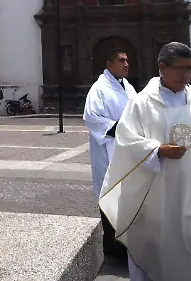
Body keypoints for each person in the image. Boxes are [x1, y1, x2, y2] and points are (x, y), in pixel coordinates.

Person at [99, 43, 191, 281]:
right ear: (162, 67)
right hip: (159, 196)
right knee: (161, 251)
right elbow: (126, 142)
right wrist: (157, 150)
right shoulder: (141, 103)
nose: (186, 75)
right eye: (180, 68)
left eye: (190, 69)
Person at [83, 50, 138, 258]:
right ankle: (113, 249)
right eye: (121, 60)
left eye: (127, 60)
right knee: (110, 195)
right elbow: (91, 117)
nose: (126, 64)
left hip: (128, 150)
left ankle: (127, 244)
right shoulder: (99, 89)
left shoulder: (127, 86)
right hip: (109, 150)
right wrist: (120, 129)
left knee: (127, 197)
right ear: (109, 63)